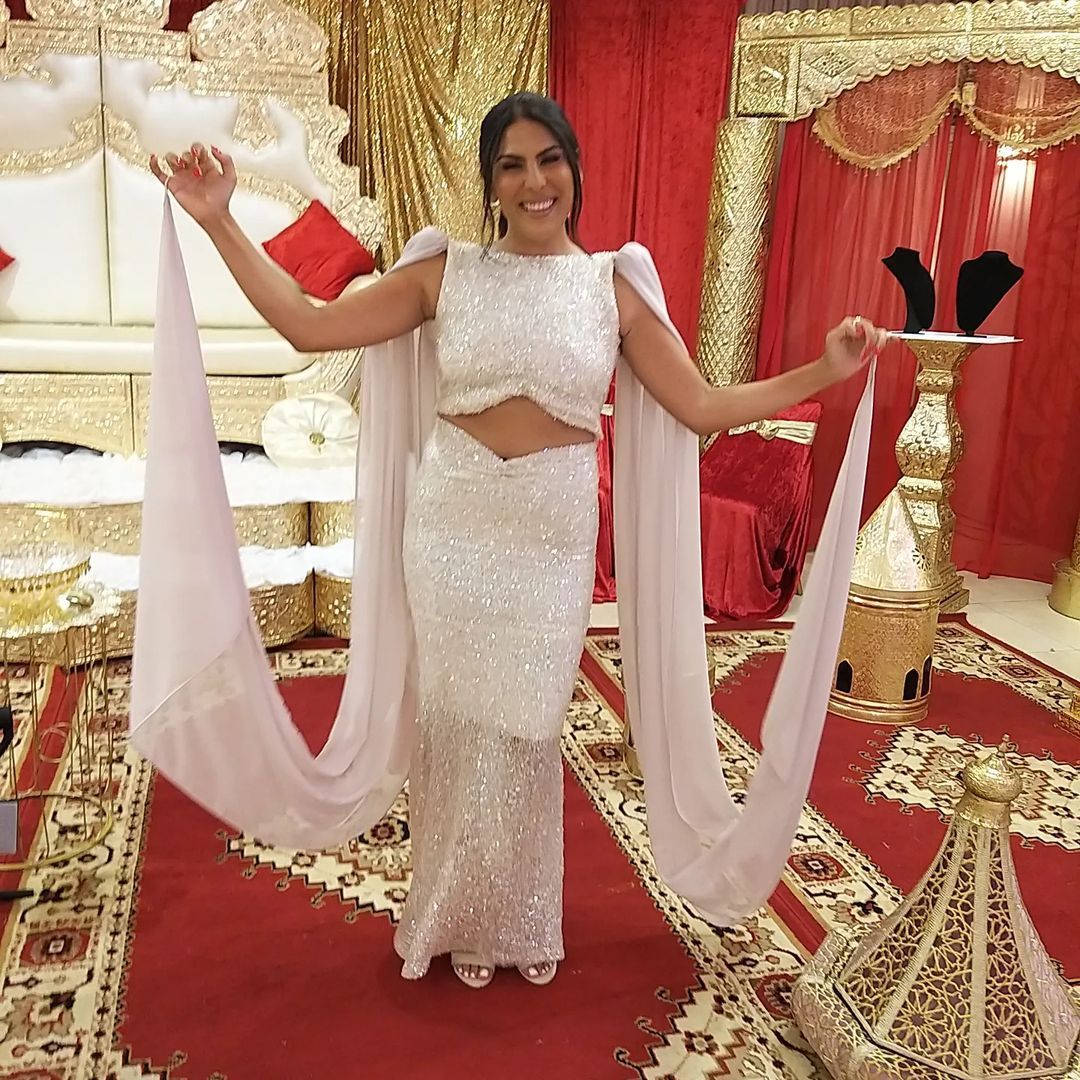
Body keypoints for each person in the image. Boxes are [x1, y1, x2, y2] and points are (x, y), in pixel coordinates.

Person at [144, 92, 885, 990]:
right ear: (491, 184)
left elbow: (700, 406)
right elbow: (308, 323)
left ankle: (519, 918)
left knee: (528, 729)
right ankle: (446, 915)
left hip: (549, 535)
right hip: (453, 524)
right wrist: (219, 222)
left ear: (574, 169)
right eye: (512, 166)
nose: (535, 182)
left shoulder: (612, 286)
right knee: (457, 726)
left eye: (549, 160)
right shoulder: (444, 272)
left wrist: (823, 371)